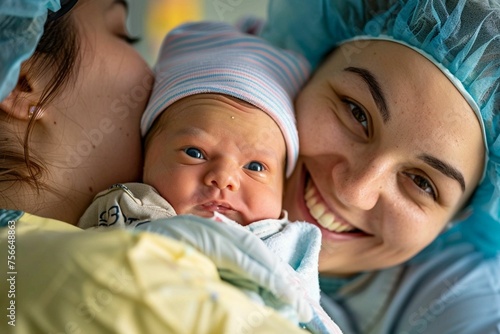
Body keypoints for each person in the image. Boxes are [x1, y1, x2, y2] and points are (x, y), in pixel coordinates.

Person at [0, 1, 328, 333]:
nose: (150, 72)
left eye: (255, 166)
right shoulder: (103, 280)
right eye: (124, 36)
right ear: (23, 84)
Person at [76, 21, 342, 333]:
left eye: (255, 167)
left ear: (282, 186)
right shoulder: (125, 208)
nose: (223, 177)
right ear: (146, 156)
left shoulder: (290, 244)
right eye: (195, 152)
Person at [257, 0, 500, 333]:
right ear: (309, 68)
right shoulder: (186, 102)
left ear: (459, 217)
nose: (354, 190)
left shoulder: (465, 298)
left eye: (421, 182)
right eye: (357, 114)